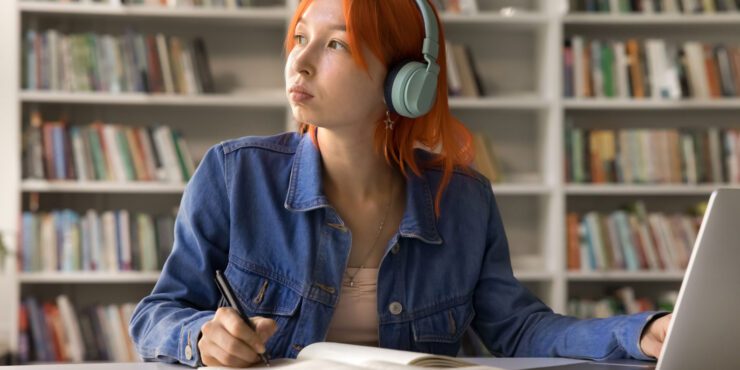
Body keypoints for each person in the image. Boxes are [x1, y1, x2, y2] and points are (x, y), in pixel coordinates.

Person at [129, 0, 671, 367]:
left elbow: (520, 330)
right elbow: (157, 314)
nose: (301, 61)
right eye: (300, 37)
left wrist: (638, 335)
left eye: (335, 45)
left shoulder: (463, 199)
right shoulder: (234, 174)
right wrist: (201, 336)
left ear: (404, 79)